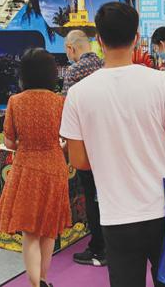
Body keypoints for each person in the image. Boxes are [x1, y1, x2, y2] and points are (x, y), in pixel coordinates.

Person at [61, 2, 165, 287]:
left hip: (116, 213)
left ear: (99, 40)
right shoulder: (162, 83)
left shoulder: (78, 93)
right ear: (136, 38)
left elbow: (79, 161)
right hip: (163, 209)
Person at [0, 49, 71, 287]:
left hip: (26, 168)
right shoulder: (60, 102)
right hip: (54, 167)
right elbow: (66, 137)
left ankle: (35, 284)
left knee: (30, 232)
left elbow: (8, 142)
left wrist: (25, 144)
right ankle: (44, 279)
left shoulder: (15, 102)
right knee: (49, 231)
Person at [62, 30, 107, 267]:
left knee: (91, 195)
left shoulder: (73, 71)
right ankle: (108, 243)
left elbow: (67, 109)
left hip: (86, 144)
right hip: (108, 141)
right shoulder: (103, 66)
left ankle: (98, 247)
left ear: (71, 48)